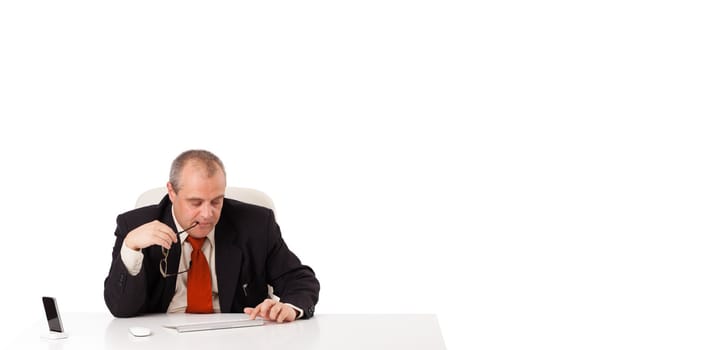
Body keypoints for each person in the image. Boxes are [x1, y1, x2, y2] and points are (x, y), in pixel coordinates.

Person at [104, 150, 319, 322]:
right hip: (163, 337)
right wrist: (130, 247)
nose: (207, 214)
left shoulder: (256, 224)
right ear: (171, 192)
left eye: (216, 201)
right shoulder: (134, 226)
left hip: (237, 338)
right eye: (195, 203)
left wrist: (289, 308)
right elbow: (121, 309)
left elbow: (300, 280)